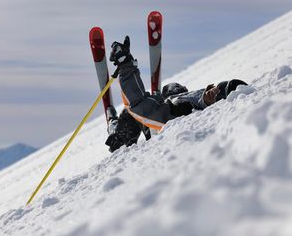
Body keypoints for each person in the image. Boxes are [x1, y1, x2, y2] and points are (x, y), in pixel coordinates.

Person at [105, 36, 248, 152]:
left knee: (129, 118)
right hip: (155, 111)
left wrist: (125, 66)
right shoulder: (194, 99)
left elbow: (139, 105)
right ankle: (115, 125)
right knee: (169, 92)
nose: (214, 92)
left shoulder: (183, 109)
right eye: (217, 89)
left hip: (150, 120)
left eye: (219, 94)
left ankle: (114, 125)